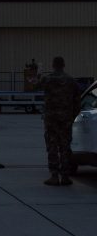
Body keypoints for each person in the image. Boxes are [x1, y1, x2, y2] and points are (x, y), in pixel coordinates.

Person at [39, 57, 81, 186]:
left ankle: (54, 176)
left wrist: (39, 72)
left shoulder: (47, 79)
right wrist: (72, 116)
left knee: (52, 146)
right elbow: (77, 101)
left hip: (51, 119)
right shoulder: (71, 81)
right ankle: (65, 176)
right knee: (65, 147)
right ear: (64, 65)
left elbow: (32, 85)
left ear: (53, 65)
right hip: (66, 119)